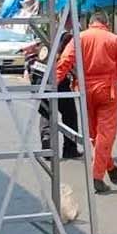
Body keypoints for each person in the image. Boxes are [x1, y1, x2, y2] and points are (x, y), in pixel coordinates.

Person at [53, 11, 117, 194]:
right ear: (106, 22)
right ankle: (97, 176)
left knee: (95, 135)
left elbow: (64, 63)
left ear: (91, 23)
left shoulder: (79, 38)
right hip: (107, 92)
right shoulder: (114, 40)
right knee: (105, 135)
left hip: (84, 91)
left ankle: (111, 168)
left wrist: (51, 84)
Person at [29, 30, 81, 160]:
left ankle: (47, 143)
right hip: (57, 77)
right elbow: (68, 60)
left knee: (47, 112)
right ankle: (70, 149)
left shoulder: (47, 34)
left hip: (39, 76)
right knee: (69, 114)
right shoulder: (68, 38)